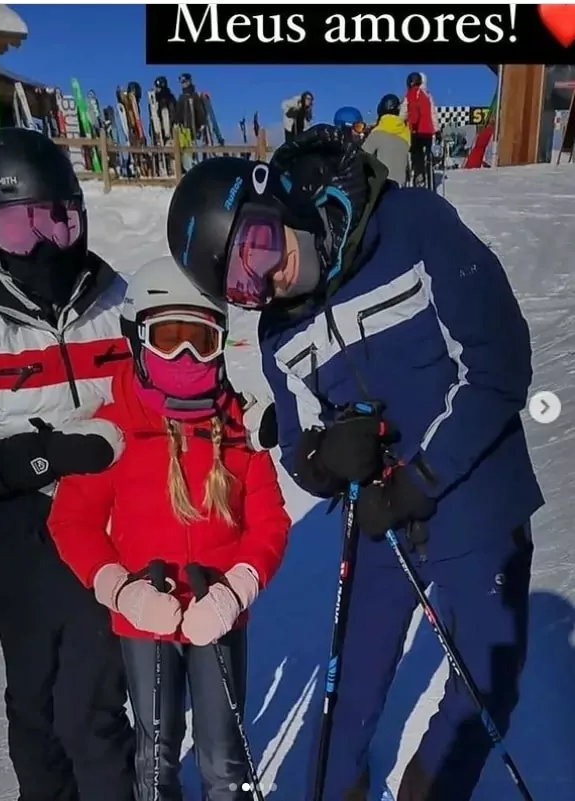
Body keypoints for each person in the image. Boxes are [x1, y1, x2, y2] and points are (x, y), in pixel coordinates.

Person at [164, 125, 543, 800]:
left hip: (474, 495)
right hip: (376, 518)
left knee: (486, 677)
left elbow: (497, 363)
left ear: (277, 202)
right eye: (242, 285)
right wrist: (323, 457)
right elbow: (297, 446)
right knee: (348, 695)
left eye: (258, 245)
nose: (266, 278)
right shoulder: (279, 328)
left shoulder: (407, 223)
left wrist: (419, 479)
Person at [0, 128, 135, 801]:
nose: (45, 242)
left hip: (106, 521)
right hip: (21, 525)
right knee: (34, 698)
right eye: (20, 227)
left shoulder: (115, 301)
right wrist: (39, 454)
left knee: (94, 705)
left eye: (59, 218)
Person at [47, 254, 291, 801]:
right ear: (138, 340)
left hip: (216, 609)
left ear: (221, 346)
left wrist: (235, 592)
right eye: (168, 338)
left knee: (223, 755)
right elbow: (72, 520)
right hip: (146, 615)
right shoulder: (112, 432)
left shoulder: (238, 431)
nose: (185, 355)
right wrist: (122, 590)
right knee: (155, 752)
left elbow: (270, 522)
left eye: (200, 341)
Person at [362, 93, 411, 186]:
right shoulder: (405, 135)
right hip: (400, 189)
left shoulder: (376, 134)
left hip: (381, 190)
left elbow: (361, 158)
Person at [401, 72, 439, 188]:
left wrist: (402, 122)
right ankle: (429, 173)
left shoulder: (411, 93)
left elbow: (405, 112)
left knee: (416, 154)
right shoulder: (427, 94)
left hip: (416, 130)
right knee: (426, 153)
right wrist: (437, 130)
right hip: (428, 131)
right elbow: (433, 113)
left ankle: (419, 175)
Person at [176, 72, 208, 142]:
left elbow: (200, 112)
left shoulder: (195, 96)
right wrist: (178, 124)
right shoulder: (181, 98)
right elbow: (178, 113)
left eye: (184, 81)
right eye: (181, 82)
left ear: (189, 82)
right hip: (184, 131)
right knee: (185, 151)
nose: (183, 84)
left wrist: (201, 126)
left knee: (194, 148)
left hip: (194, 129)